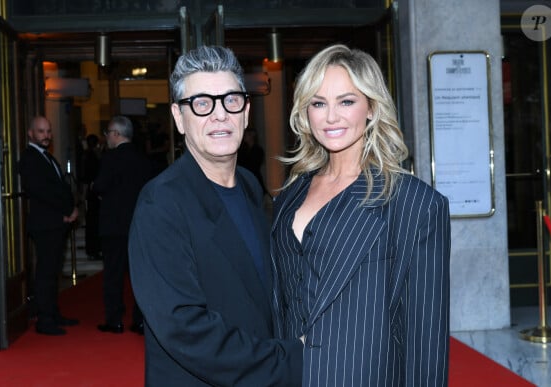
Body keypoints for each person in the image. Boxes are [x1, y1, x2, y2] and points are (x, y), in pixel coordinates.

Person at [270, 44, 451, 386]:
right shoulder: (291, 194)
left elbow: (426, 336)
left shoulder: (413, 203)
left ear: (371, 108)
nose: (331, 117)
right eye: (318, 103)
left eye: (346, 101)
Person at [128, 45, 303, 386]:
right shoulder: (160, 203)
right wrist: (292, 360)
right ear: (179, 118)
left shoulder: (251, 185)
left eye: (230, 100)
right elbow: (185, 329)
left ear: (246, 112)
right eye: (202, 104)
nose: (220, 115)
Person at [18, 116, 79, 336]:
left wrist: (71, 208)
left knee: (53, 271)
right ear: (31, 134)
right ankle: (44, 320)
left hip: (55, 223)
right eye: (41, 131)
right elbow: (41, 192)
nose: (46, 135)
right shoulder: (29, 158)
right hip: (46, 224)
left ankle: (53, 313)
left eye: (49, 131)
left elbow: (60, 187)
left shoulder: (47, 158)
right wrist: (64, 211)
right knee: (45, 273)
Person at [93, 115, 153, 335]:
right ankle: (140, 320)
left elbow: (100, 186)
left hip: (113, 227)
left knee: (113, 274)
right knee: (139, 276)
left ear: (116, 134)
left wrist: (96, 189)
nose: (106, 137)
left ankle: (114, 319)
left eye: (108, 133)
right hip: (138, 226)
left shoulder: (110, 159)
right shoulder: (143, 159)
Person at [80, 134, 102, 260]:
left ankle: (92, 250)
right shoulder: (94, 156)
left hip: (90, 192)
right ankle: (94, 250)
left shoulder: (86, 155)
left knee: (92, 222)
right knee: (94, 222)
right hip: (94, 193)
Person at [238, 127, 267, 195]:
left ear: (252, 135)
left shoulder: (258, 150)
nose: (244, 137)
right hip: (244, 178)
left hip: (253, 177)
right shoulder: (243, 150)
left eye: (247, 135)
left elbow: (254, 166)